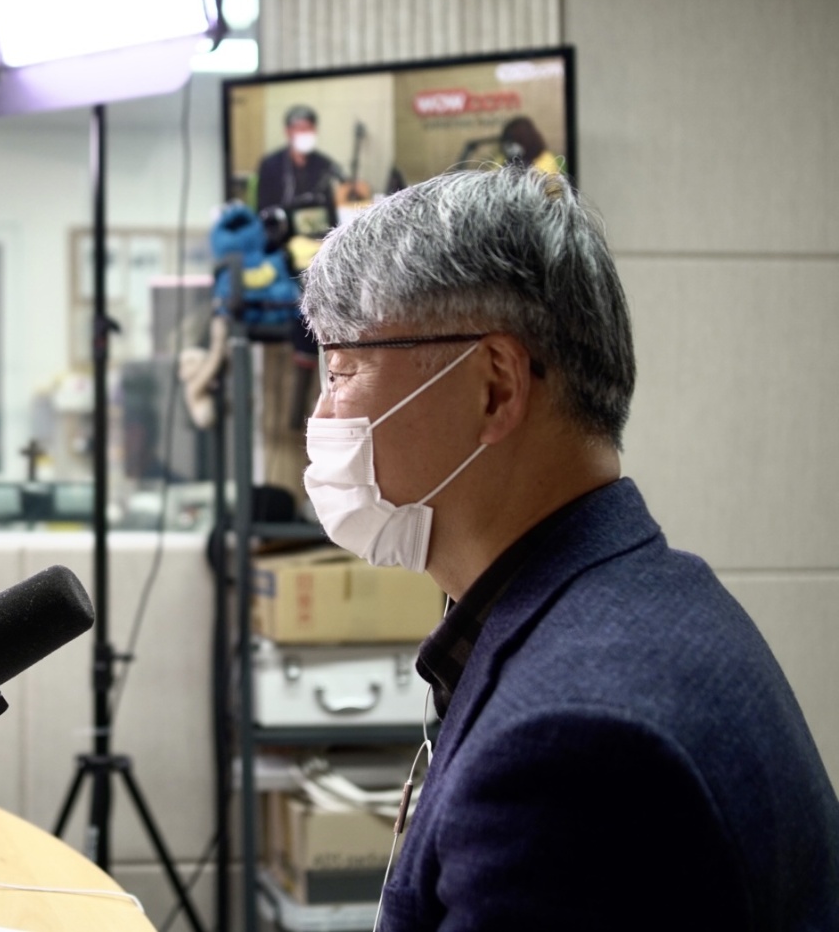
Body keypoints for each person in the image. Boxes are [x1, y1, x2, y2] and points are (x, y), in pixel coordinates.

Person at [300, 166, 839, 930]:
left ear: (494, 386)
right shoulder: (650, 600)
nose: (322, 417)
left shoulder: (569, 749)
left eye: (342, 370)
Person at [255, 104, 359, 222]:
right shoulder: (270, 165)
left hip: (317, 228)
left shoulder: (324, 165)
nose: (305, 133)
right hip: (281, 227)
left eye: (309, 128)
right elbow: (263, 208)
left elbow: (329, 207)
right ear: (288, 132)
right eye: (300, 128)